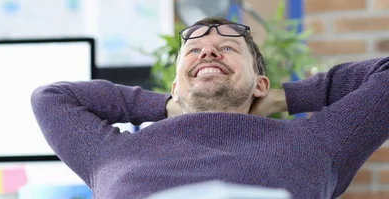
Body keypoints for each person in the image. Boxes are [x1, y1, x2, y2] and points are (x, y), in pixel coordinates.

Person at [30, 17, 389, 199]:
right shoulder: (112, 152)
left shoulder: (314, 141)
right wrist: (168, 106)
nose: (209, 51)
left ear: (260, 84)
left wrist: (285, 98)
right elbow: (52, 97)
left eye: (229, 48)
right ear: (175, 87)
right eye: (193, 50)